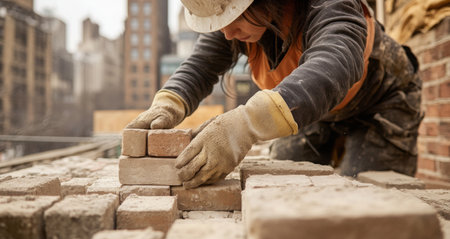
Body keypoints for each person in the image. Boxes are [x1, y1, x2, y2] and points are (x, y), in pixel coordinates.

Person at [126, 0, 423, 189]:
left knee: (365, 196)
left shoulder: (330, 4)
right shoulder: (237, 21)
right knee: (282, 184)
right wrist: (169, 102)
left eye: (235, 18)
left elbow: (333, 66)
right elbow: (199, 67)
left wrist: (246, 124)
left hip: (380, 104)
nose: (227, 33)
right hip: (310, 110)